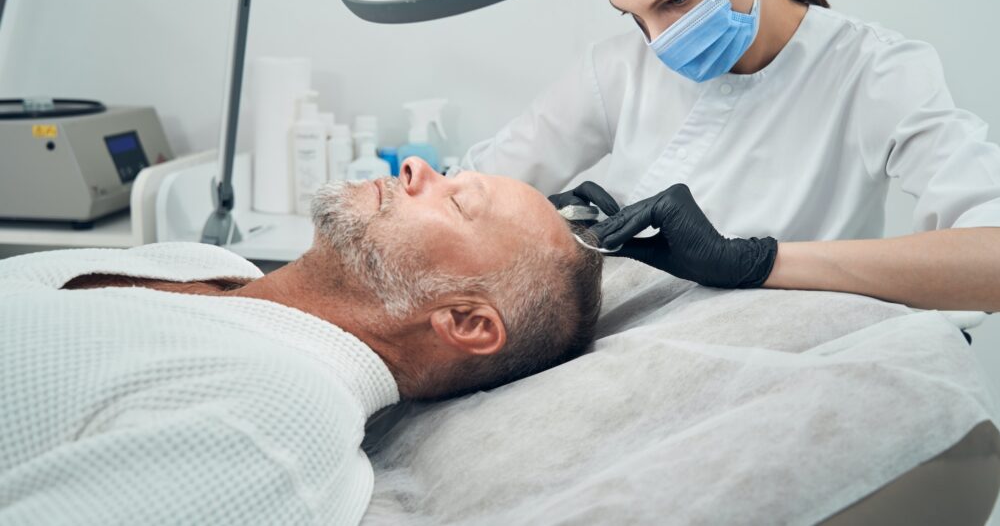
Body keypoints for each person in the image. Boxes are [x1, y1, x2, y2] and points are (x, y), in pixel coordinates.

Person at [465, 0, 1000, 313]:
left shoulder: (873, 72)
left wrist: (758, 260)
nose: (660, 41)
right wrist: (548, 228)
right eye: (635, 17)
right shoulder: (617, 69)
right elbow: (475, 188)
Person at [0, 157, 603, 525]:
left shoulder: (278, 426)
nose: (417, 168)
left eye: (456, 199)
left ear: (466, 322)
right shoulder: (205, 259)